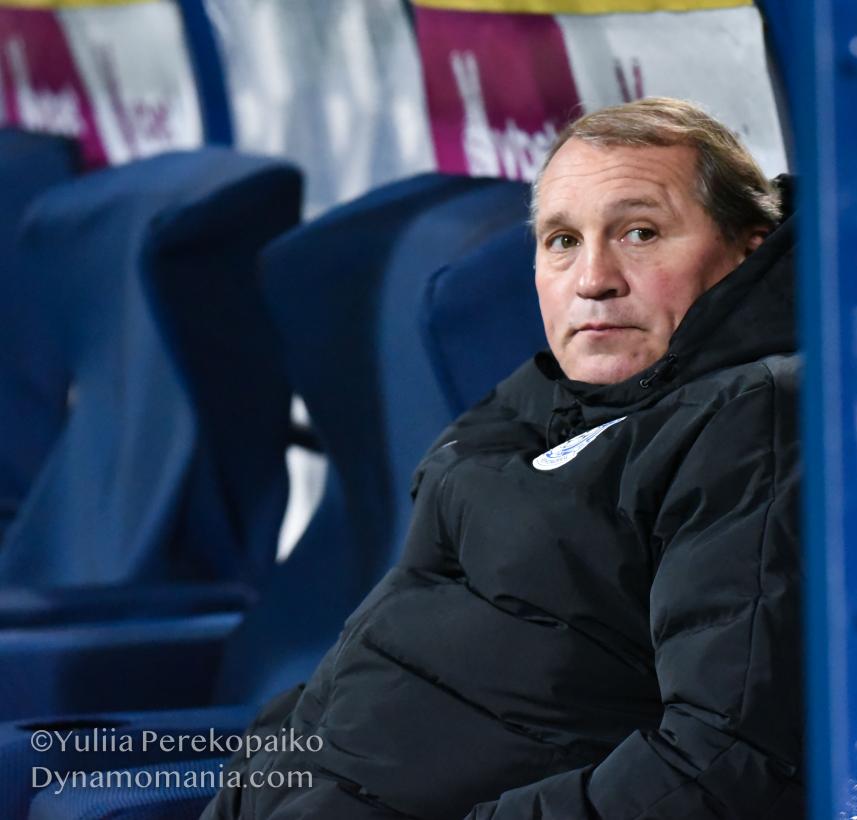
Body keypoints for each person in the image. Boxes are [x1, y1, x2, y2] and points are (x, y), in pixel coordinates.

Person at [202, 97, 802, 819]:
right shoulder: (533, 402)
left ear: (748, 250)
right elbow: (374, 654)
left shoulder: (752, 420)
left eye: (640, 233)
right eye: (562, 240)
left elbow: (723, 763)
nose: (593, 278)